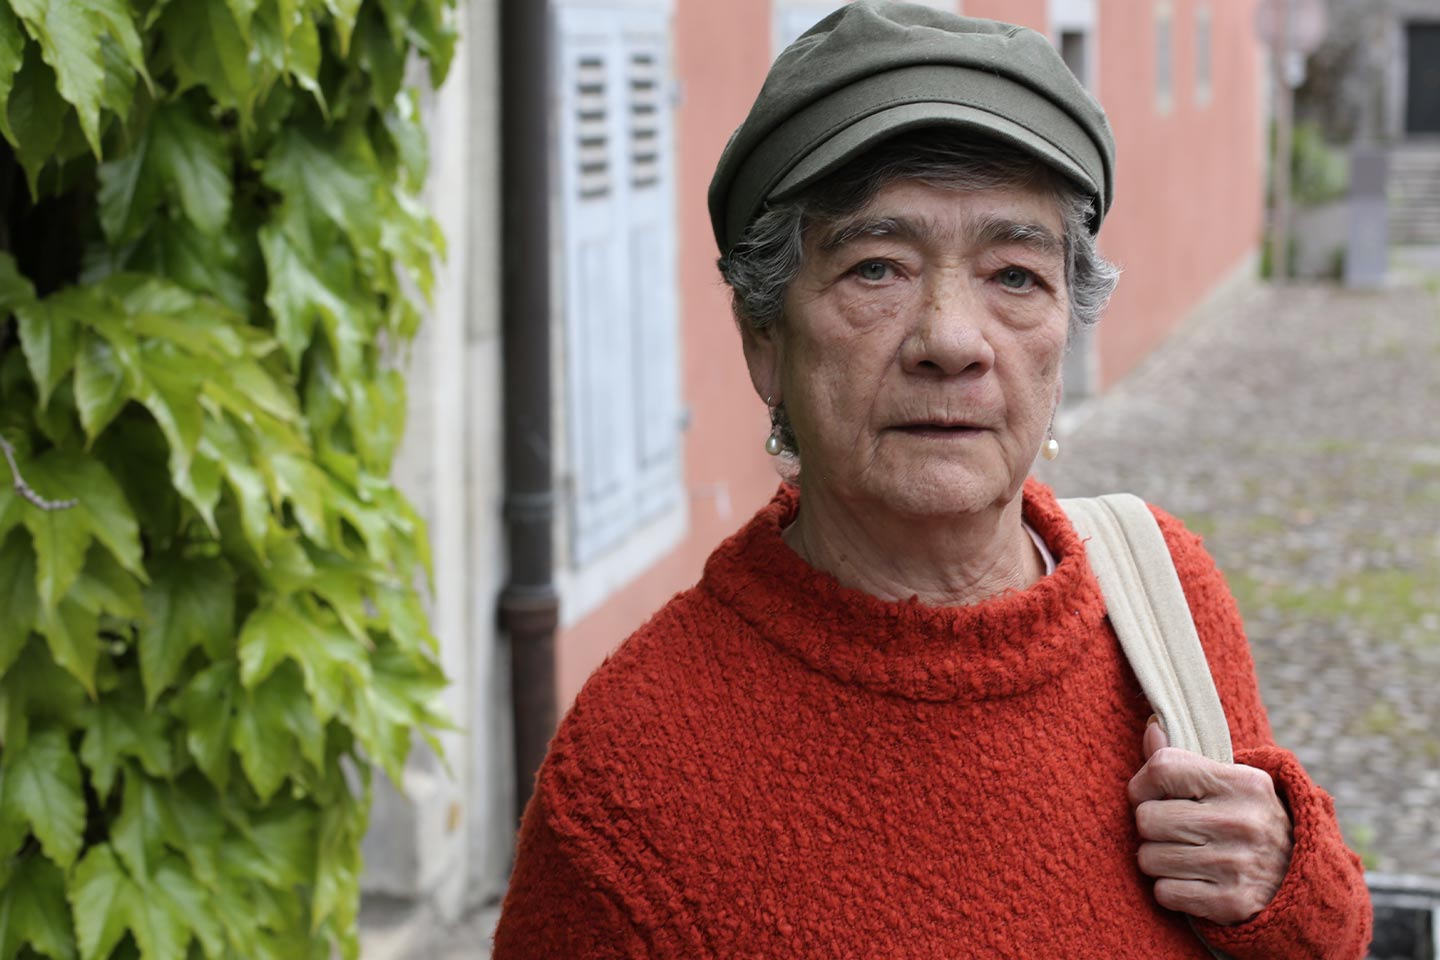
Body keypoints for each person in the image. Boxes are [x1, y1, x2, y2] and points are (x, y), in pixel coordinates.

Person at [492, 3, 1373, 957]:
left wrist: (1283, 881)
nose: (951, 340)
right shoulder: (630, 786)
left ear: (1065, 331)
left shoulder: (1163, 596)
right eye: (877, 268)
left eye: (1015, 275)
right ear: (764, 341)